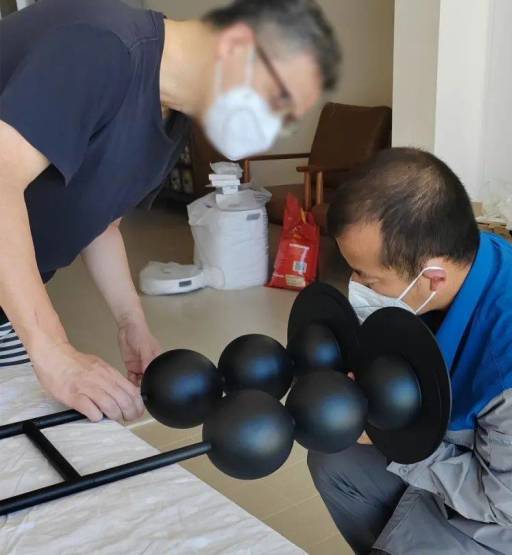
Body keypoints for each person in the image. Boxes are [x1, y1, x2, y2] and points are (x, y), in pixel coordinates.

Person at [0, 0, 340, 421]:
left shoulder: (172, 119)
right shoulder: (101, 46)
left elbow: (100, 224)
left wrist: (132, 322)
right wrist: (53, 349)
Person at [309, 148, 512, 554]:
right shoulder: (470, 255)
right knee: (333, 456)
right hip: (452, 459)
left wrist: (388, 436)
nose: (357, 286)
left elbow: (506, 504)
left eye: (369, 279)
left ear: (433, 277)